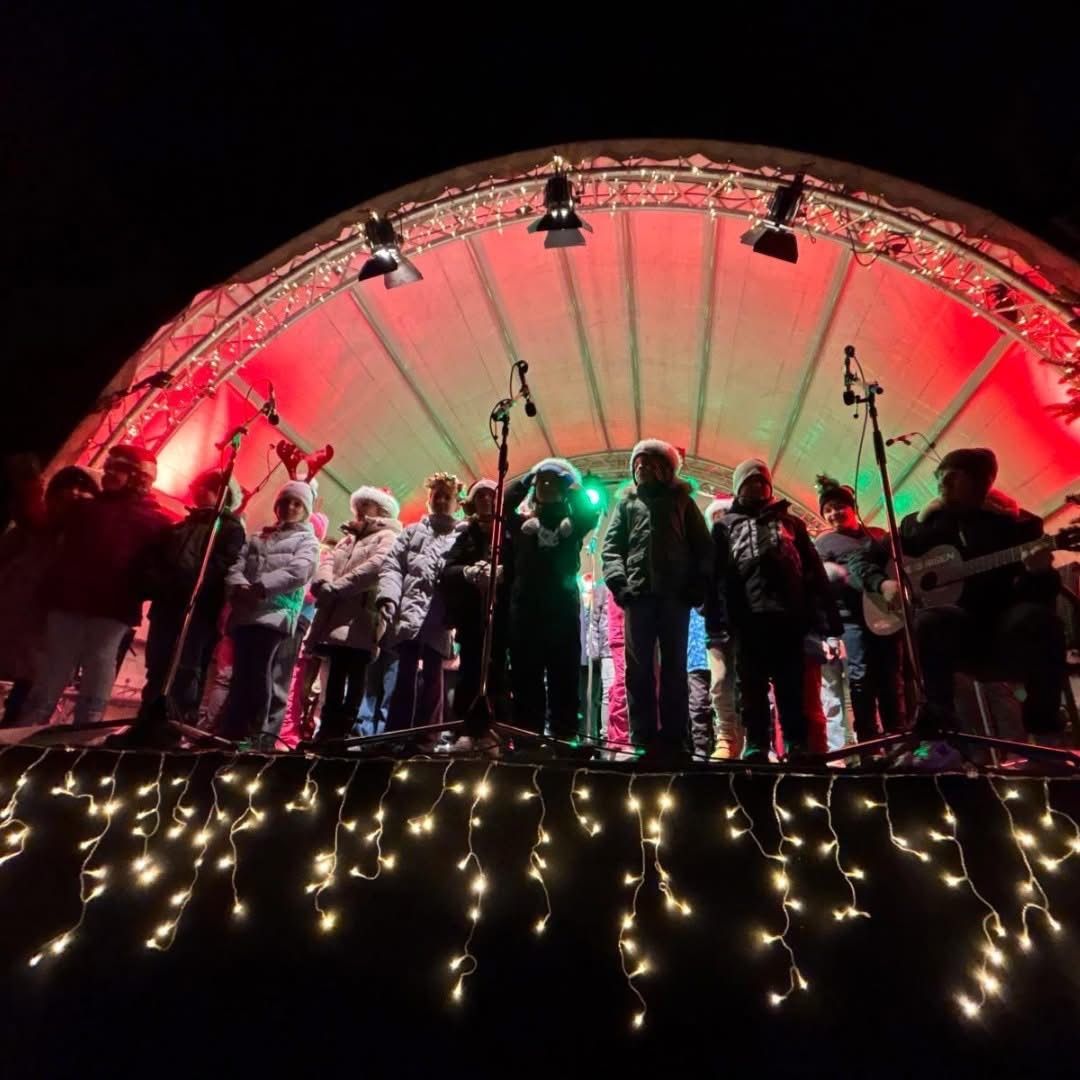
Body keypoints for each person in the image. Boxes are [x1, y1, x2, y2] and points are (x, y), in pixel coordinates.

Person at [852, 448, 1066, 745]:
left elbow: (1041, 596)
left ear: (981, 482)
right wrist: (883, 584)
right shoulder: (918, 526)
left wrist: (1038, 573)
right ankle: (941, 733)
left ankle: (1044, 729)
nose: (943, 484)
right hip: (955, 634)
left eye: (953, 478)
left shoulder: (1016, 526)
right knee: (931, 621)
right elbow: (861, 562)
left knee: (1040, 620)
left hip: (1002, 628)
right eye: (940, 477)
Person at [19, 446, 172, 729]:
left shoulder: (156, 521)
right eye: (109, 465)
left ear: (138, 477)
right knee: (56, 664)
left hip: (111, 604)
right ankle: (31, 724)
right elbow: (43, 526)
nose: (110, 473)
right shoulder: (86, 507)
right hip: (70, 597)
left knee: (97, 663)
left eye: (119, 468)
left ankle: (86, 728)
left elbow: (162, 568)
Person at [707, 458, 841, 761]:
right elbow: (714, 576)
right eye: (749, 482)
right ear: (739, 488)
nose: (756, 486)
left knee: (790, 685)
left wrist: (827, 623)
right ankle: (756, 743)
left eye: (761, 482)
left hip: (788, 617)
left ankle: (796, 742)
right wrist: (716, 620)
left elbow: (813, 571)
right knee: (751, 687)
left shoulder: (791, 523)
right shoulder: (725, 526)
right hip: (747, 619)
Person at [120, 468, 247, 746]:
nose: (200, 492)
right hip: (167, 606)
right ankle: (147, 723)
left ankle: (176, 726)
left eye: (207, 487)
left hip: (199, 610)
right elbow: (157, 559)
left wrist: (185, 584)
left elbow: (221, 567)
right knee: (158, 665)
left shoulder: (229, 528)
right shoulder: (179, 528)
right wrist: (159, 583)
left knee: (186, 668)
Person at [602, 439, 713, 756]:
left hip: (675, 598)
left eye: (651, 463)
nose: (643, 468)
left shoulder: (682, 503)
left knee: (675, 668)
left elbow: (702, 547)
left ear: (666, 470)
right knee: (638, 670)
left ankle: (676, 737)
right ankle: (643, 736)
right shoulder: (627, 505)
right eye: (639, 464)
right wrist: (620, 585)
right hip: (639, 596)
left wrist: (697, 583)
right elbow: (612, 549)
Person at [505, 458, 600, 740]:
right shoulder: (522, 525)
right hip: (525, 611)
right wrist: (528, 476)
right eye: (541, 482)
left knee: (564, 676)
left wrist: (570, 481)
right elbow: (504, 506)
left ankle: (564, 736)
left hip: (562, 611)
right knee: (525, 677)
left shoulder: (572, 525)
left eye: (552, 481)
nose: (546, 485)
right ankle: (527, 737)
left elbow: (589, 512)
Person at [218, 480, 319, 744]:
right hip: (246, 612)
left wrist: (261, 588)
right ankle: (231, 730)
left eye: (297, 503)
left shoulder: (307, 541)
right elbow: (236, 565)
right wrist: (239, 586)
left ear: (306, 509)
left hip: (274, 614)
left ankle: (254, 732)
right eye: (285, 502)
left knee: (259, 672)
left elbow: (298, 572)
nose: (290, 508)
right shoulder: (259, 537)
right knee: (240, 673)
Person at [0, 465, 100, 726]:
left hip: (48, 617)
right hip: (18, 608)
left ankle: (14, 733)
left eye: (82, 488)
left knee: (31, 682)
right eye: (69, 486)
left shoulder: (86, 535)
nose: (75, 493)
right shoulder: (33, 527)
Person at [813, 474, 905, 746]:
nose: (833, 514)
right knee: (861, 676)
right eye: (827, 510)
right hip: (852, 620)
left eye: (838, 507)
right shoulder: (825, 544)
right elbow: (822, 586)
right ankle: (868, 741)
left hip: (886, 615)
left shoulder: (877, 536)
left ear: (852, 507)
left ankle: (896, 736)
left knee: (890, 676)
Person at [306, 487, 401, 744]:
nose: (359, 510)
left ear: (381, 511)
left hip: (362, 616)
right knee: (336, 674)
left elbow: (376, 566)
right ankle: (328, 727)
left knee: (357, 674)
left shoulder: (388, 536)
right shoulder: (350, 538)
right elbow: (329, 560)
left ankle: (346, 727)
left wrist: (337, 588)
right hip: (338, 617)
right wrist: (323, 582)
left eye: (366, 504)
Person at [378, 472, 463, 744]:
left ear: (456, 503)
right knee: (404, 675)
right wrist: (389, 597)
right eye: (436, 496)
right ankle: (396, 734)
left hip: (439, 617)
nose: (440, 501)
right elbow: (392, 566)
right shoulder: (412, 533)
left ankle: (427, 736)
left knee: (433, 677)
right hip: (410, 612)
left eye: (446, 497)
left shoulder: (459, 537)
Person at [438, 478, 507, 754]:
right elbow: (449, 569)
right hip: (471, 617)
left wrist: (503, 573)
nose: (486, 502)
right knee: (469, 673)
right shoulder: (466, 535)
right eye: (481, 497)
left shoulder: (506, 532)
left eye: (491, 496)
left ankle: (493, 730)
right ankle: (466, 730)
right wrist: (469, 572)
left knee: (497, 672)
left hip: (500, 617)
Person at [702, 496, 742, 759]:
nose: (721, 521)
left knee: (747, 682)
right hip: (715, 625)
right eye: (716, 517)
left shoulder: (743, 547)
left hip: (743, 622)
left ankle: (750, 738)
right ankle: (726, 736)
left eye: (725, 515)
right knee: (718, 682)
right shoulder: (705, 551)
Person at [687, 607, 713, 757]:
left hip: (718, 645)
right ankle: (701, 748)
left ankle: (721, 746)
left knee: (721, 699)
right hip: (695, 656)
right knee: (698, 702)